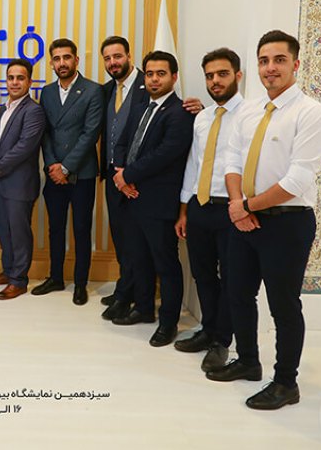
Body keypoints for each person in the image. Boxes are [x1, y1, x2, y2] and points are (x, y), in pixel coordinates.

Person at [207, 30, 321, 411]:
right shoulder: (249, 112)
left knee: (283, 305)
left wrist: (246, 206)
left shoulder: (311, 114)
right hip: (243, 218)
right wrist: (238, 205)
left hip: (287, 223)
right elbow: (231, 161)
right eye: (264, 61)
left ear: (296, 64)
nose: (270, 68)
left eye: (279, 60)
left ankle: (285, 382)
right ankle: (248, 361)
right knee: (237, 293)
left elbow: (297, 180)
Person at [112, 51, 194, 347]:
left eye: (161, 74)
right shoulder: (140, 107)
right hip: (131, 197)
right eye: (149, 74)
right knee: (139, 257)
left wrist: (128, 174)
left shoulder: (180, 113)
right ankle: (144, 308)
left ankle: (168, 322)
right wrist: (120, 173)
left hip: (159, 201)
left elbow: (166, 153)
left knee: (165, 263)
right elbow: (122, 142)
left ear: (174, 77)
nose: (154, 79)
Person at [173, 48, 245, 371]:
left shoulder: (251, 115)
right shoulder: (202, 118)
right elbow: (194, 164)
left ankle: (222, 341)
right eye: (210, 76)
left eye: (222, 74)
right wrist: (184, 209)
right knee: (202, 274)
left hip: (231, 209)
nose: (215, 81)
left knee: (230, 278)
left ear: (238, 76)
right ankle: (208, 329)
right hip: (200, 206)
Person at [35, 38, 102, 305]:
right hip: (54, 173)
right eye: (57, 58)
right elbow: (46, 132)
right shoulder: (47, 92)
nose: (62, 63)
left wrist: (65, 167)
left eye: (66, 57)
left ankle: (80, 283)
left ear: (76, 60)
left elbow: (90, 134)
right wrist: (53, 165)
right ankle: (55, 277)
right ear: (51, 63)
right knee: (55, 228)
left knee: (81, 229)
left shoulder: (93, 90)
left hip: (81, 173)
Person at [0, 58, 46, 300]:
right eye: (11, 78)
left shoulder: (33, 110)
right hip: (2, 181)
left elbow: (24, 147)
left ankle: (19, 280)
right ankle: (9, 271)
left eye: (20, 78)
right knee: (5, 230)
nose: (14, 82)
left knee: (19, 233)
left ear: (29, 82)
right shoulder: (4, 109)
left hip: (20, 183)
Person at [98, 36, 150, 321]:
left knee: (136, 241)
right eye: (107, 58)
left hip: (136, 179)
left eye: (117, 56)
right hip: (111, 175)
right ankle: (124, 288)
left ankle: (131, 295)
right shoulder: (107, 90)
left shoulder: (148, 84)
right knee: (120, 236)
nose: (112, 63)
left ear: (129, 56)